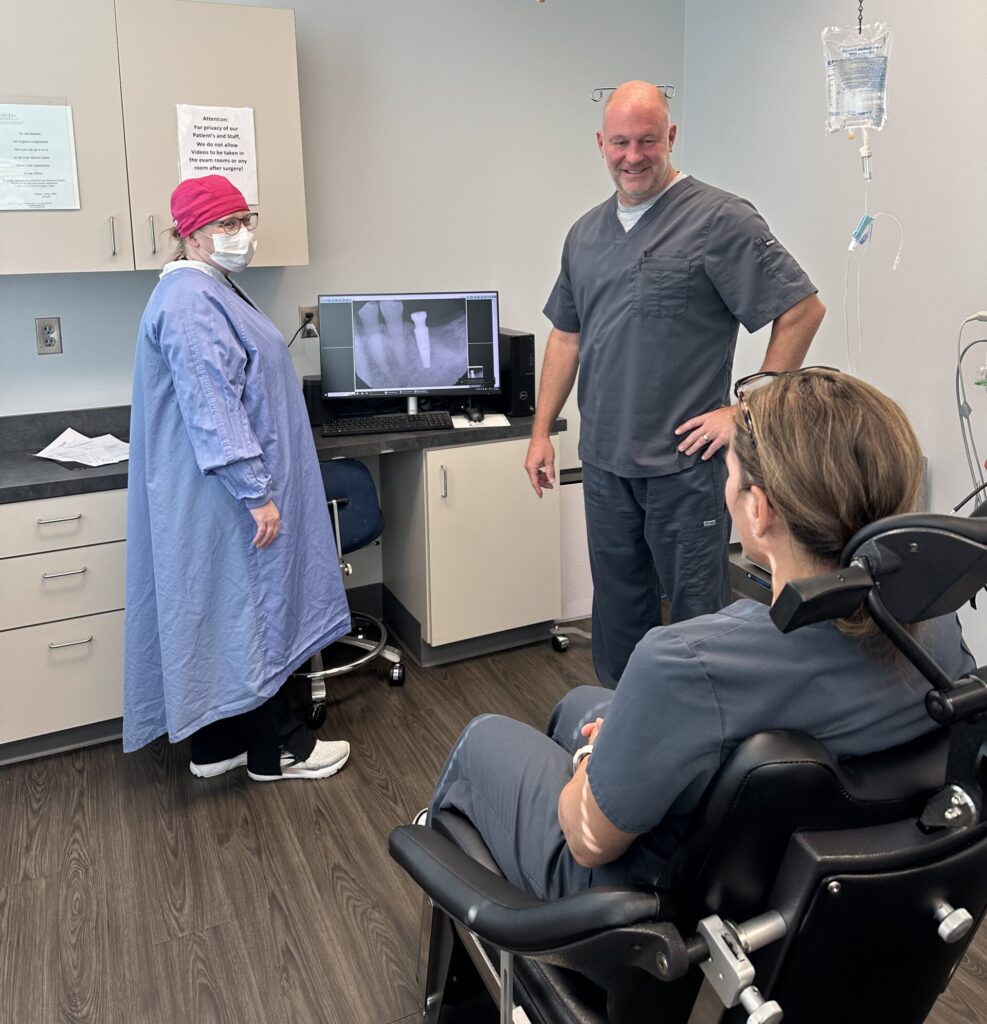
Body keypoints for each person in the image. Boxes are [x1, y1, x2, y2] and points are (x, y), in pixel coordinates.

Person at [433, 369, 974, 899]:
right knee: (580, 705)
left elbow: (586, 842)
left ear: (759, 510)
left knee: (485, 736)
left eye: (730, 472)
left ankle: (467, 956)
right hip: (805, 889)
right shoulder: (937, 635)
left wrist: (592, 764)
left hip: (649, 910)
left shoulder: (682, 665)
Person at [525, 80, 826, 688]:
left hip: (687, 467)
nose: (632, 156)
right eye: (619, 143)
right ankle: (618, 725)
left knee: (699, 617)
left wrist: (746, 409)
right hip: (605, 462)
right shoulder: (584, 234)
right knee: (617, 608)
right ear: (599, 144)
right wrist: (539, 434)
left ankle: (700, 743)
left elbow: (801, 310)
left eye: (645, 141)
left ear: (671, 137)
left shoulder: (720, 219)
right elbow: (566, 337)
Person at [124, 174, 352, 782]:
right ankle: (280, 749)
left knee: (221, 615)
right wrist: (257, 494)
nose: (241, 235)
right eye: (226, 225)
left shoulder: (207, 288)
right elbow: (212, 405)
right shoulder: (191, 302)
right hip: (231, 495)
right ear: (189, 235)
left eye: (245, 220)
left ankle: (214, 745)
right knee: (255, 615)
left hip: (215, 493)